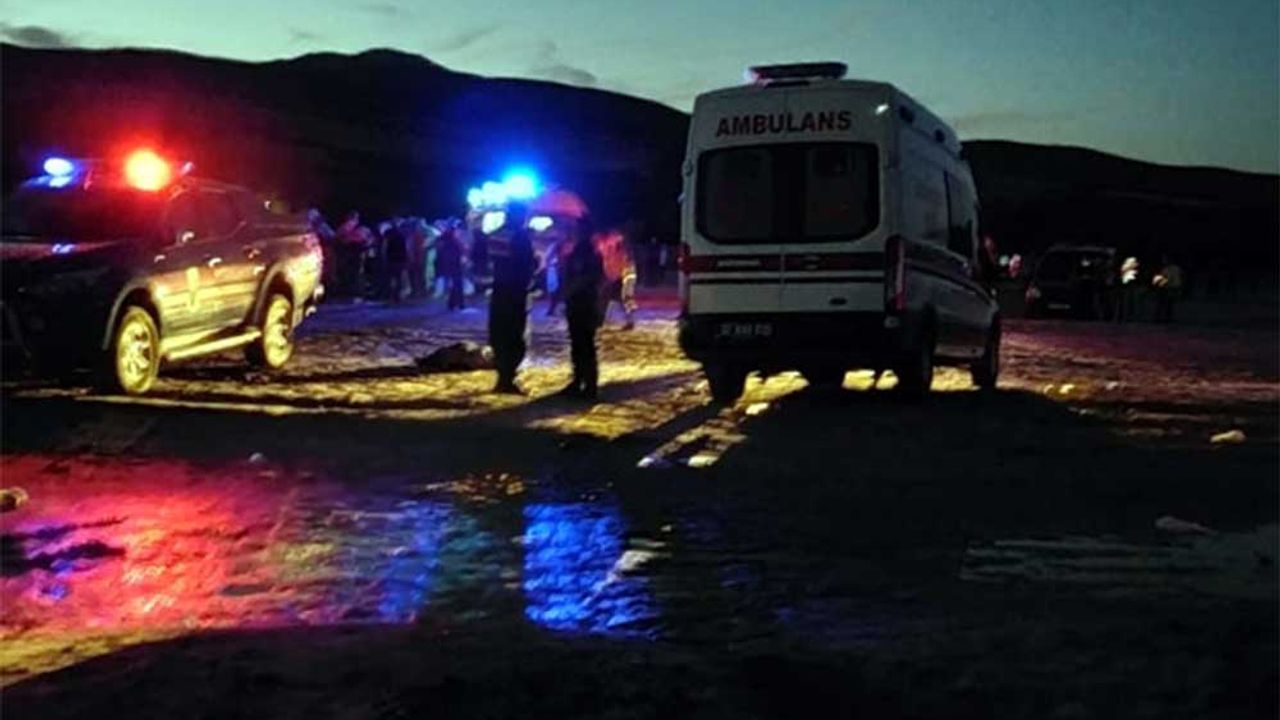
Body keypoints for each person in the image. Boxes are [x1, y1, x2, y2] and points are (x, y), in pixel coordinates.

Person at [488, 203, 537, 394]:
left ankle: (502, 376)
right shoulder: (520, 236)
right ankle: (507, 379)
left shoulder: (496, 234)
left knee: (499, 333)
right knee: (514, 334)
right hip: (515, 290)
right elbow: (525, 263)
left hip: (499, 288)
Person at [558, 217, 604, 399]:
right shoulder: (576, 250)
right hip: (576, 302)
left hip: (585, 303)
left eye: (578, 229)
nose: (574, 232)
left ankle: (589, 385)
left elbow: (592, 278)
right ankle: (578, 381)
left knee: (585, 344)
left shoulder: (590, 253)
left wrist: (571, 289)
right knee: (577, 344)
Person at [596, 230, 638, 330]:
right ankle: (600, 319)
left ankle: (630, 320)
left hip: (624, 275)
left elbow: (622, 264)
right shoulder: (608, 248)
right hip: (617, 276)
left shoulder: (620, 250)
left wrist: (614, 277)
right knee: (606, 297)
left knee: (625, 298)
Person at [436, 222, 465, 311]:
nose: (459, 232)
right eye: (457, 231)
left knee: (455, 284)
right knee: (457, 284)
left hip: (449, 264)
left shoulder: (444, 240)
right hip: (454, 265)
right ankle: (459, 304)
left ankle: (452, 304)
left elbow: (442, 253)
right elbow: (456, 252)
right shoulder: (452, 241)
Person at [381, 220, 409, 303]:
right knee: (399, 278)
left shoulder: (388, 233)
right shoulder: (403, 232)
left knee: (391, 277)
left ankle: (390, 295)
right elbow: (406, 246)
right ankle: (397, 296)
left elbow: (385, 245)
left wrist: (384, 257)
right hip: (401, 258)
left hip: (391, 258)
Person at [1152, 255, 1183, 323]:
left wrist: (1160, 285)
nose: (1164, 261)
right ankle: (1166, 318)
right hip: (1173, 287)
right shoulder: (1176, 268)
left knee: (1164, 303)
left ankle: (1160, 318)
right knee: (1168, 304)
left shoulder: (1167, 269)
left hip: (1169, 288)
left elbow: (1167, 279)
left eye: (1165, 260)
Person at [1115, 256, 1141, 323]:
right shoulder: (1124, 268)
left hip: (1131, 287)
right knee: (1124, 303)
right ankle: (1124, 317)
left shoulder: (1134, 269)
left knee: (1132, 303)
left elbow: (1135, 278)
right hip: (1125, 288)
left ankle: (1131, 317)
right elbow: (1122, 278)